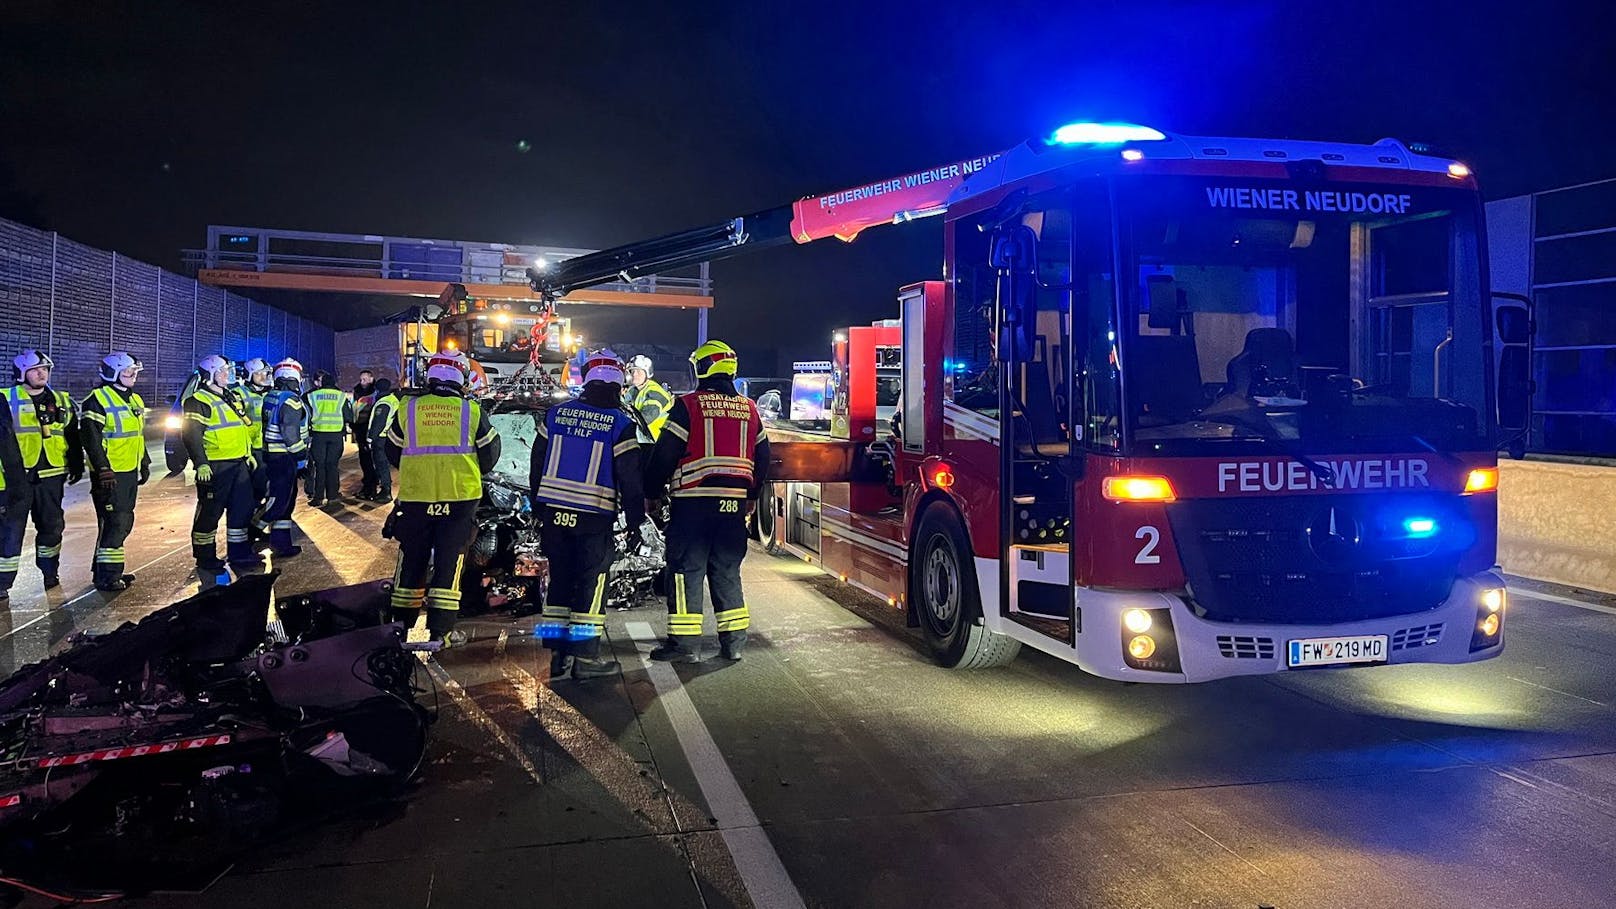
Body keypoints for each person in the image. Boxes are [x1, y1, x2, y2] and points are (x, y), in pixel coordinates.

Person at [645, 340, 769, 662]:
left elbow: (665, 454)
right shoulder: (750, 409)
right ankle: (734, 644)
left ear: (702, 368)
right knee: (727, 571)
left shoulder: (688, 406)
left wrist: (651, 493)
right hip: (733, 508)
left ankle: (685, 647)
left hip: (693, 505)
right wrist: (752, 496)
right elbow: (764, 457)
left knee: (687, 571)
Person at [530, 349, 645, 681]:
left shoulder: (554, 415)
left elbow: (536, 466)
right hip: (593, 517)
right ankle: (586, 659)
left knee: (560, 582)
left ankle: (556, 655)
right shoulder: (620, 424)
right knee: (591, 584)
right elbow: (631, 478)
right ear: (618, 383)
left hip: (554, 515)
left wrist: (539, 508)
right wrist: (636, 520)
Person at [384, 350, 499, 643]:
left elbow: (391, 451)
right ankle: (441, 633)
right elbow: (490, 454)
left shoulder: (408, 408)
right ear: (461, 376)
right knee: (450, 564)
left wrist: (417, 470)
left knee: (412, 561)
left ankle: (398, 629)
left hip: (416, 499)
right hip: (460, 500)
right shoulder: (471, 411)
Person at [0, 350, 83, 598]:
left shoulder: (61, 399)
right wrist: (14, 478)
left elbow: (72, 434)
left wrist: (76, 463)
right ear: (22, 373)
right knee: (9, 530)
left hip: (51, 473)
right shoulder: (5, 398)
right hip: (15, 478)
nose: (42, 373)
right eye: (36, 369)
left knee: (51, 526)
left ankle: (49, 572)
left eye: (45, 369)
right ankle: (2, 583)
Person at [183, 354, 262, 574]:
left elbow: (240, 428)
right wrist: (200, 463)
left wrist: (247, 454)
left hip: (238, 464)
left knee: (242, 510)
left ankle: (239, 553)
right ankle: (205, 556)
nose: (227, 375)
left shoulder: (230, 397)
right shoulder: (197, 401)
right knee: (210, 512)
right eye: (222, 371)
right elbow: (191, 436)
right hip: (215, 467)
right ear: (210, 375)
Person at [79, 352, 151, 591]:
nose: (133, 376)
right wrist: (102, 468)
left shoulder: (134, 400)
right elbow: (91, 438)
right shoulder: (97, 399)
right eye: (129, 372)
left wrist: (144, 462)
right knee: (115, 522)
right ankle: (108, 577)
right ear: (113, 373)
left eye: (134, 372)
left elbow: (137, 436)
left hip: (128, 470)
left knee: (123, 520)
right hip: (110, 473)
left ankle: (106, 570)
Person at [257, 358, 309, 557]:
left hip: (272, 455)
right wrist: (301, 459)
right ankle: (255, 528)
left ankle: (281, 543)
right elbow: (290, 433)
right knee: (280, 501)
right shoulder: (291, 400)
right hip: (284, 458)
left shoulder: (272, 396)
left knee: (285, 503)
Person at [304, 371, 351, 506]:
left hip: (318, 435)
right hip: (336, 436)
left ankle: (318, 497)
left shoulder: (312, 396)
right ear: (334, 383)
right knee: (332, 466)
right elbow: (349, 417)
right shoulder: (341, 396)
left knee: (320, 466)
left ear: (322, 383)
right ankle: (333, 496)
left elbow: (306, 415)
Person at [239, 358, 272, 512]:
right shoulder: (239, 393)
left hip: (267, 445)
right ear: (249, 375)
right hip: (250, 447)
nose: (263, 377)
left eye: (265, 373)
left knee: (265, 481)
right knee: (254, 483)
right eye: (258, 374)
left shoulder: (270, 394)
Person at [624, 354, 673, 443]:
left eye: (638, 371)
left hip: (655, 443)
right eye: (632, 371)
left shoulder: (655, 392)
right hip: (641, 441)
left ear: (647, 373)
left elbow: (646, 418)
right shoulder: (633, 391)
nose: (634, 374)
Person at [363, 377, 398, 502]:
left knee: (381, 465)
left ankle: (386, 492)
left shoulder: (383, 403)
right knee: (384, 465)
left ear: (377, 389)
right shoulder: (393, 399)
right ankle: (384, 489)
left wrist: (370, 439)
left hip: (380, 439)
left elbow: (378, 423)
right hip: (388, 437)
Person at [351, 369, 377, 499]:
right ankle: (369, 483)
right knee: (364, 460)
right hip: (360, 430)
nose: (362, 382)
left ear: (371, 379)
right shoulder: (357, 391)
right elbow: (354, 410)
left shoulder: (375, 393)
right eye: (361, 379)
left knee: (370, 461)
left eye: (365, 379)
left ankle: (370, 488)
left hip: (370, 430)